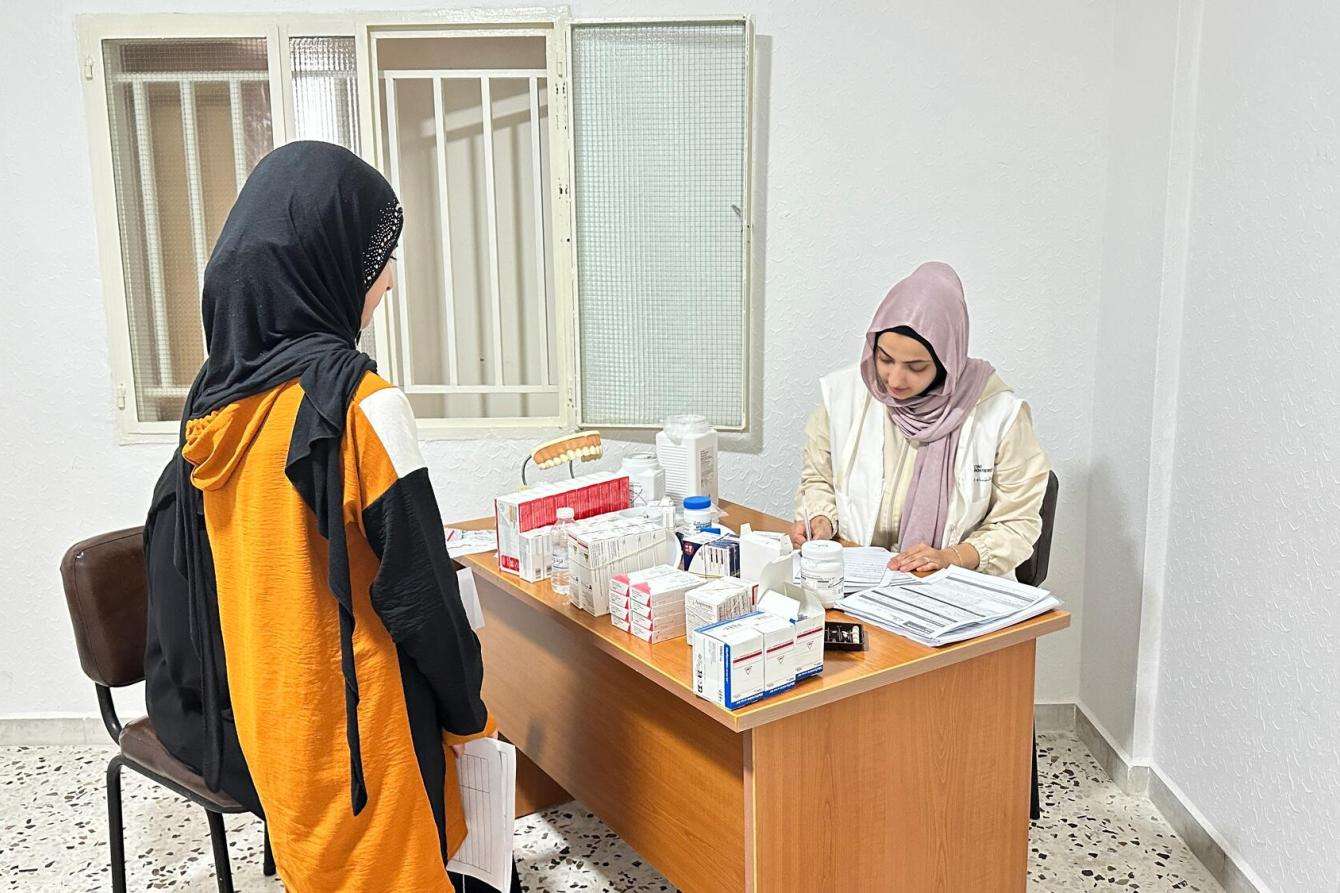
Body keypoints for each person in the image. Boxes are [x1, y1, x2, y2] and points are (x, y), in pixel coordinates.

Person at [143, 141, 519, 891]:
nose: (384, 278)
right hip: (367, 740)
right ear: (324, 256)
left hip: (275, 728)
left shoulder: (214, 407)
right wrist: (472, 718)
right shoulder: (362, 405)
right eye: (376, 253)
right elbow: (422, 601)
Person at [791, 261, 1050, 578]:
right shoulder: (844, 395)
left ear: (947, 361)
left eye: (916, 367)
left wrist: (952, 557)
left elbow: (1017, 523)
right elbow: (819, 479)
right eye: (884, 359)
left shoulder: (999, 414)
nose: (894, 379)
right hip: (858, 580)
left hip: (955, 588)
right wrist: (821, 518)